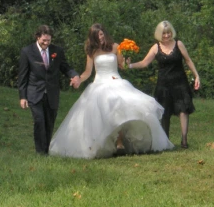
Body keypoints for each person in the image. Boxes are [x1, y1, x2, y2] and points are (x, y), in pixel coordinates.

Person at [49, 23, 174, 159]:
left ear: (104, 34)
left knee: (122, 104)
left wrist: (127, 59)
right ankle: (107, 142)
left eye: (101, 35)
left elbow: (123, 66)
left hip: (116, 80)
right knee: (106, 105)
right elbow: (88, 71)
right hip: (100, 83)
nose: (100, 38)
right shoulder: (92, 51)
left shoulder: (115, 47)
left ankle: (120, 142)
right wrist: (79, 79)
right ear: (93, 38)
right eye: (97, 36)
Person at [128, 21, 201, 149]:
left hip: (180, 83)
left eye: (168, 33)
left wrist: (196, 76)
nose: (167, 36)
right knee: (164, 113)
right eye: (164, 33)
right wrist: (129, 65)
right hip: (163, 85)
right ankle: (165, 141)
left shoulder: (179, 44)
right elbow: (145, 63)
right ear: (159, 34)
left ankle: (184, 139)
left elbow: (188, 60)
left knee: (183, 110)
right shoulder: (156, 48)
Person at [18, 25, 80, 154]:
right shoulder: (27, 52)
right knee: (39, 120)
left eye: (48, 41)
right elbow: (23, 76)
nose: (46, 43)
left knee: (49, 123)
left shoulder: (57, 51)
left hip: (52, 93)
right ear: (38, 37)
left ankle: (46, 150)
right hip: (35, 93)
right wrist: (23, 96)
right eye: (43, 40)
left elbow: (65, 67)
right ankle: (40, 152)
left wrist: (74, 75)